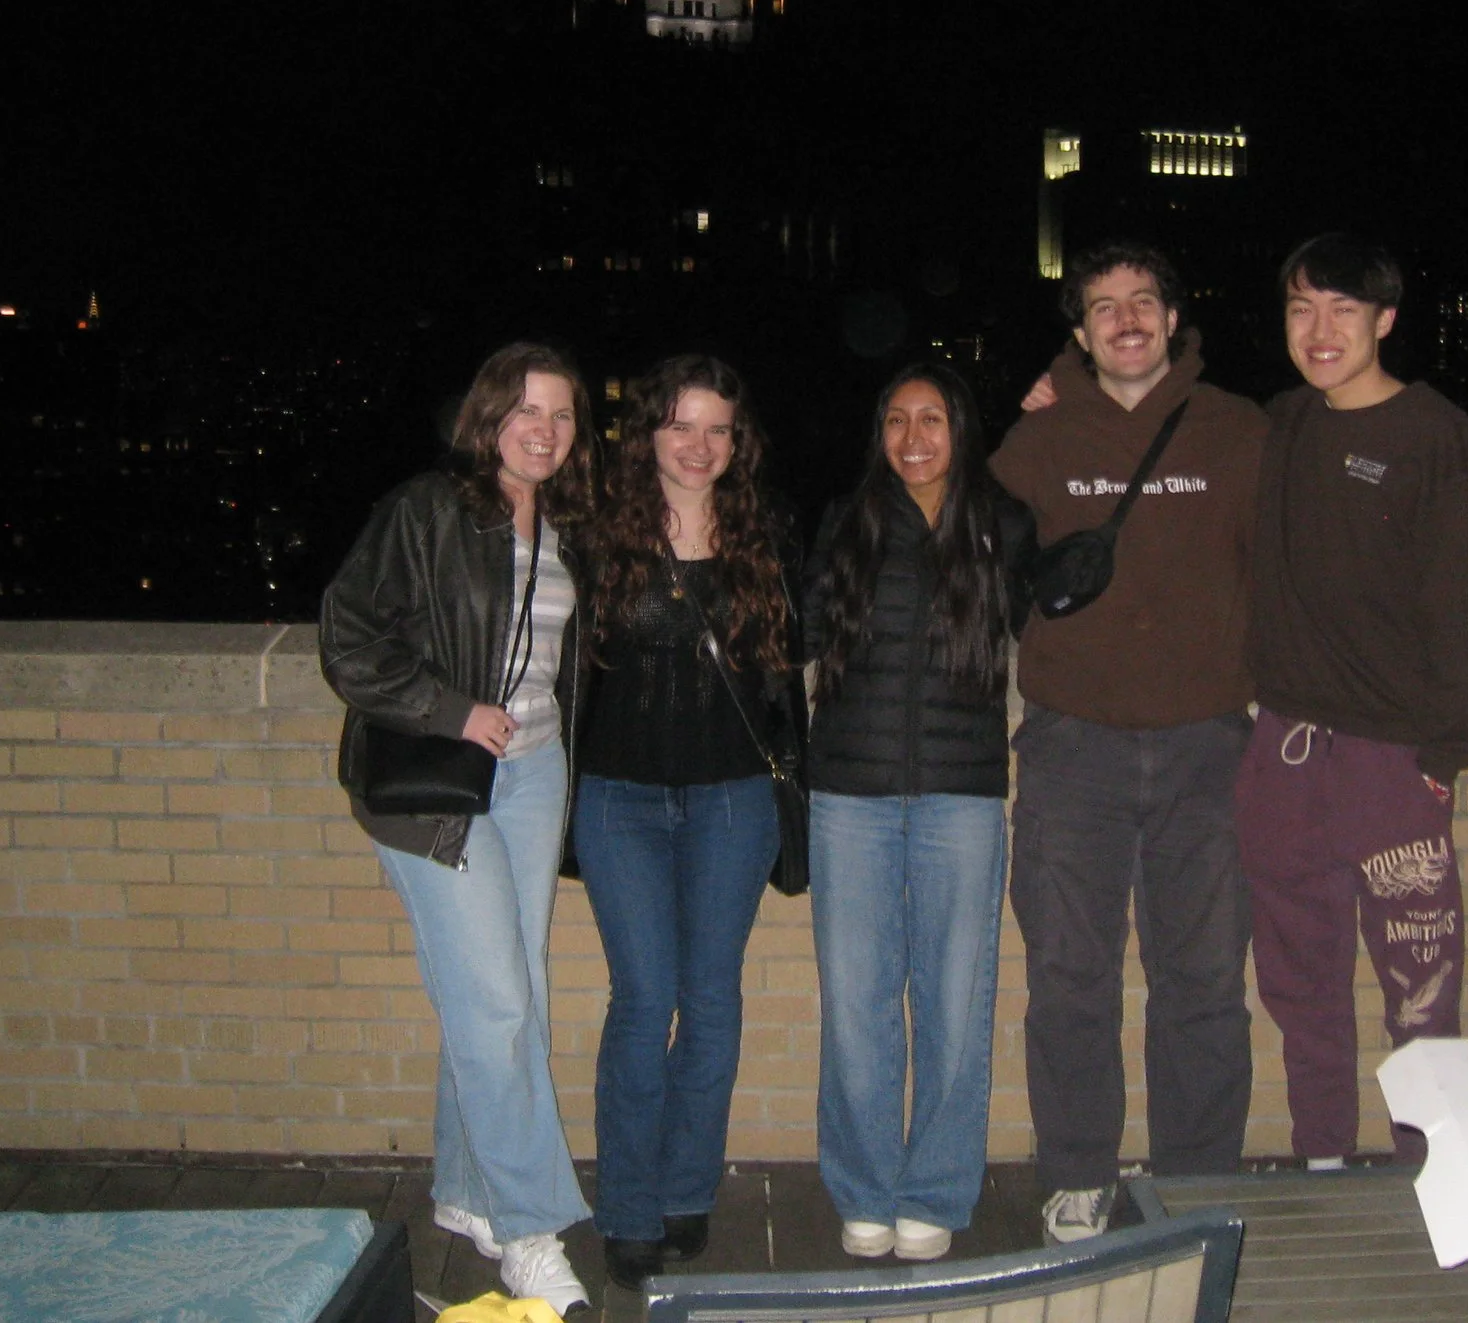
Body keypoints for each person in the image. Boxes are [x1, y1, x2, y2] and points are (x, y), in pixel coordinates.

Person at [991, 244, 1269, 1241]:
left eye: (1141, 301)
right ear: (1078, 332)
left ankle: (1195, 1184)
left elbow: (1285, 578)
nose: (1124, 320)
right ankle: (1076, 1174)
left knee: (1202, 982)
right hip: (1072, 751)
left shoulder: (1241, 431)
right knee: (1069, 977)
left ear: (1171, 314)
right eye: (1102, 307)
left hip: (1207, 748)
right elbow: (980, 568)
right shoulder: (1034, 443)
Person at [319, 342, 598, 1316]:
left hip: (534, 778)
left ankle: (467, 1193)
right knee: (498, 1009)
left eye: (562, 415)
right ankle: (529, 1230)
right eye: (526, 410)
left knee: (505, 1000)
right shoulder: (427, 510)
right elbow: (348, 637)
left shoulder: (566, 523)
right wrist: (448, 709)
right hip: (440, 784)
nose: (545, 430)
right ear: (487, 416)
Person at [1236, 232, 1468, 1170]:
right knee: (1300, 982)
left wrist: (1435, 756)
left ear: (1386, 319)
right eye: (1302, 307)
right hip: (1284, 758)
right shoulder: (1282, 428)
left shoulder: (1438, 437)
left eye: (1344, 308)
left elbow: (1463, 609)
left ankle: (1433, 1175)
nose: (1321, 329)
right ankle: (1321, 1160)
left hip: (1393, 761)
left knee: (1420, 992)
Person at [573, 355, 803, 1292]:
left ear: (738, 439)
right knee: (643, 998)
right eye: (680, 425)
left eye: (717, 428)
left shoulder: (771, 531)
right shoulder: (592, 532)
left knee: (710, 1000)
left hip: (732, 797)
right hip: (619, 796)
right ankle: (627, 1208)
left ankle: (685, 1193)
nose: (699, 446)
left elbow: (806, 658)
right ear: (647, 436)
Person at [802, 363, 1037, 1262]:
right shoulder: (849, 517)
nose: (913, 437)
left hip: (963, 794)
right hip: (850, 796)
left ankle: (933, 1188)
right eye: (896, 419)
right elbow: (803, 630)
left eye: (931, 418)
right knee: (858, 1003)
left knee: (954, 1000)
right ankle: (864, 1188)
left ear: (960, 428)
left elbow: (1049, 622)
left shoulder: (1000, 520)